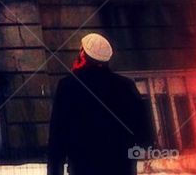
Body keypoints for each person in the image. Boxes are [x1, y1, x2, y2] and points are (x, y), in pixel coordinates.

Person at [47, 33, 154, 175]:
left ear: (83, 55)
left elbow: (58, 137)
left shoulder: (68, 86)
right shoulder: (125, 86)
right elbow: (144, 133)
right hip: (122, 168)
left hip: (84, 169)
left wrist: (55, 170)